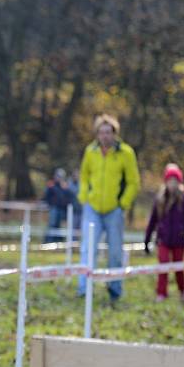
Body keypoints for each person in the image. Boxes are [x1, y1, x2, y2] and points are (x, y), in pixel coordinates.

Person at [76, 114, 140, 304]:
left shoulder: (126, 153)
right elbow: (84, 176)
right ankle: (83, 288)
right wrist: (84, 197)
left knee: (115, 252)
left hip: (114, 210)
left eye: (108, 132)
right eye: (101, 132)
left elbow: (133, 182)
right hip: (92, 208)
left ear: (114, 133)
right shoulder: (90, 151)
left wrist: (123, 205)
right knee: (88, 249)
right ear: (97, 134)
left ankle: (115, 288)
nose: (104, 136)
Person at [144, 163, 184, 303]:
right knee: (163, 265)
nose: (172, 184)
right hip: (163, 239)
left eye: (175, 181)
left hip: (179, 240)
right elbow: (153, 220)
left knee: (178, 267)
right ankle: (161, 293)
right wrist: (147, 239)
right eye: (170, 181)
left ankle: (182, 291)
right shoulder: (160, 200)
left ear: (179, 182)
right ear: (166, 182)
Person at [43, 168, 73, 242]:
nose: (59, 178)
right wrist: (50, 203)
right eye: (58, 176)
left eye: (60, 177)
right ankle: (49, 241)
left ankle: (57, 241)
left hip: (62, 209)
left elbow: (68, 197)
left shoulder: (65, 186)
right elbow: (46, 196)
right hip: (54, 208)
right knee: (52, 224)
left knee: (59, 226)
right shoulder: (51, 185)